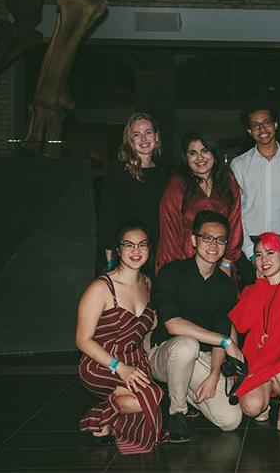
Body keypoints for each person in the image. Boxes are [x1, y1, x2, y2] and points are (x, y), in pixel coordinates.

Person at [149, 210, 244, 443]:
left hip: (203, 357)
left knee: (231, 420)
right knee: (186, 345)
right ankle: (177, 412)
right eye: (207, 238)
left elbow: (223, 330)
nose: (214, 245)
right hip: (165, 353)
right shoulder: (172, 272)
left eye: (221, 239)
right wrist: (225, 341)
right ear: (194, 240)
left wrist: (214, 374)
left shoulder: (226, 285)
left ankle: (185, 390)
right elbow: (173, 325)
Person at [76, 221, 164, 454]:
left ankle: (106, 423)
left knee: (149, 403)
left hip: (136, 361)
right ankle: (97, 416)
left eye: (142, 245)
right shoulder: (101, 287)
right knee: (150, 398)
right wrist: (120, 368)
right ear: (118, 249)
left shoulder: (147, 283)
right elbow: (82, 340)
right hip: (102, 363)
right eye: (129, 245)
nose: (136, 251)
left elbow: (145, 326)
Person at [228, 232, 280, 432]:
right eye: (258, 255)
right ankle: (262, 402)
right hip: (257, 360)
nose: (264, 260)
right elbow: (241, 324)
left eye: (270, 253)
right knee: (251, 407)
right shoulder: (253, 289)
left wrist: (250, 377)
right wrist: (260, 286)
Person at [230, 106, 280, 286]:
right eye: (255, 126)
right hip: (251, 243)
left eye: (266, 123)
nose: (262, 130)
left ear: (276, 124)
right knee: (255, 302)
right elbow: (236, 213)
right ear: (249, 131)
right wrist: (251, 254)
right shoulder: (238, 165)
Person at [156, 131, 243, 276]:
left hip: (219, 260)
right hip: (184, 259)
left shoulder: (227, 180)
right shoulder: (177, 183)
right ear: (186, 157)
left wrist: (228, 261)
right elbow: (169, 229)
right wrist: (178, 269)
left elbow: (235, 224)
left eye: (204, 150)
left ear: (214, 153)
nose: (200, 158)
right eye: (192, 153)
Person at [97, 113, 168, 275]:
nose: (143, 139)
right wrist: (110, 259)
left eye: (148, 132)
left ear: (156, 136)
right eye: (137, 134)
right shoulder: (118, 171)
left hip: (153, 252)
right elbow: (108, 215)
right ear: (130, 140)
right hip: (125, 253)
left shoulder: (164, 173)